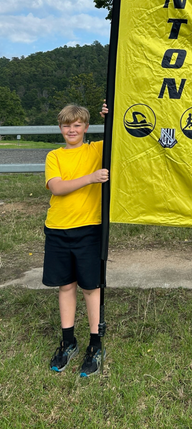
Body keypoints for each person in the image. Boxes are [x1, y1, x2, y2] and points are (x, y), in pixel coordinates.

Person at [44, 104, 109, 377]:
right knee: (65, 286)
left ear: (86, 127)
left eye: (77, 125)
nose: (72, 130)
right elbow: (57, 187)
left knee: (90, 288)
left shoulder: (96, 150)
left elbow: (122, 137)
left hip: (88, 230)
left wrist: (111, 115)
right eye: (66, 125)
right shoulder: (54, 156)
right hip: (57, 229)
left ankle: (95, 344)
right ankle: (68, 340)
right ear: (60, 128)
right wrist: (91, 178)